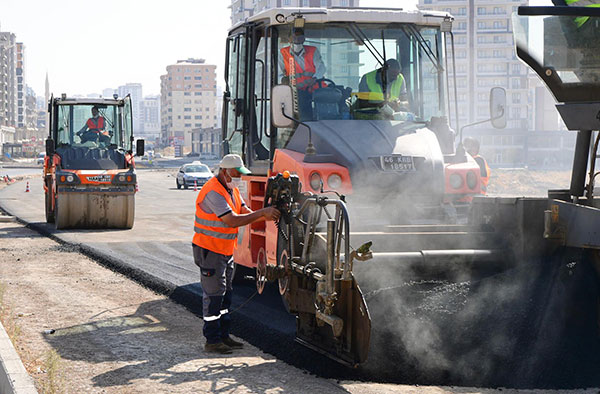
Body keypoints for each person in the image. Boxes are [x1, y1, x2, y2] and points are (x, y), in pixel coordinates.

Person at [192, 154, 281, 354]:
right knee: (214, 296)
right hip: (209, 250)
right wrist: (261, 214)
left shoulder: (230, 190)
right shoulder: (213, 192)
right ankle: (212, 340)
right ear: (225, 172)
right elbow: (232, 220)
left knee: (226, 296)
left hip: (224, 250)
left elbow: (242, 209)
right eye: (236, 174)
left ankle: (224, 335)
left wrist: (265, 215)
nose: (239, 178)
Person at [279, 27, 327, 119]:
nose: (297, 40)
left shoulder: (313, 51)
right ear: (289, 39)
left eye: (300, 37)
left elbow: (321, 68)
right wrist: (283, 80)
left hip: (315, 91)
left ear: (304, 39)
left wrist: (315, 79)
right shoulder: (283, 53)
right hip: (295, 93)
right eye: (294, 37)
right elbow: (279, 73)